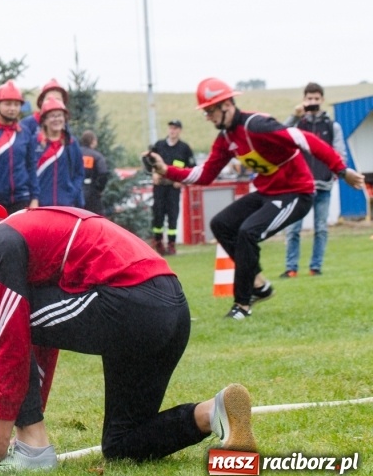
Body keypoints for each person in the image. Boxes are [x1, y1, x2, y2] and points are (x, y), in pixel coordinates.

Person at [0, 200, 257, 471]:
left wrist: (0, 443)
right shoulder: (19, 236)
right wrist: (27, 423)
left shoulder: (3, 241)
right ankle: (215, 412)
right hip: (170, 310)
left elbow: (13, 347)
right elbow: (42, 341)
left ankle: (33, 451)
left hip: (133, 303)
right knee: (122, 445)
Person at [146, 78, 365, 320]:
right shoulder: (225, 140)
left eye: (210, 110)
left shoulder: (257, 125)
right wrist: (166, 170)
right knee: (221, 224)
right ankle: (260, 286)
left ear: (227, 105)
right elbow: (205, 175)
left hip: (296, 193)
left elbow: (305, 139)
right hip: (267, 192)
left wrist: (342, 171)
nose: (207, 117)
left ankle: (242, 304)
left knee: (247, 233)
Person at [280, 82, 346, 278]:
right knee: (293, 229)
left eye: (316, 99)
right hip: (299, 185)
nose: (313, 102)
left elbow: (340, 153)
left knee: (320, 229)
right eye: (309, 99)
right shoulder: (298, 124)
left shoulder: (332, 126)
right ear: (304, 100)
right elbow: (278, 136)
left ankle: (315, 267)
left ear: (322, 100)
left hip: (323, 184)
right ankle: (291, 268)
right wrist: (294, 116)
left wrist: (333, 174)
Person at [0, 80, 39, 214]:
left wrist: (34, 197)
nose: (12, 108)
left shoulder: (25, 131)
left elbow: (31, 166)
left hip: (21, 198)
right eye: (7, 104)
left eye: (16, 104)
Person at [149, 120, 195, 256]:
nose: (172, 131)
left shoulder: (184, 148)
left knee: (173, 216)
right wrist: (154, 174)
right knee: (158, 215)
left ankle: (171, 244)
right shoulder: (159, 145)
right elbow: (150, 161)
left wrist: (182, 181)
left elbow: (191, 167)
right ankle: (158, 242)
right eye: (170, 128)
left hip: (173, 188)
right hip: (160, 187)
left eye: (175, 128)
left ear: (180, 130)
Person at [34, 97, 84, 207]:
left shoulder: (71, 143)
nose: (56, 119)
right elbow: (29, 174)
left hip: (67, 205)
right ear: (44, 120)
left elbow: (79, 172)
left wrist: (71, 193)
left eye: (59, 115)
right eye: (52, 116)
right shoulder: (34, 143)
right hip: (40, 206)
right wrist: (34, 198)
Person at [79, 130, 109, 216]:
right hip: (92, 193)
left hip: (76, 192)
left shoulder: (76, 154)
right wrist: (99, 189)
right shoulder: (97, 156)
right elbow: (103, 173)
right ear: (93, 141)